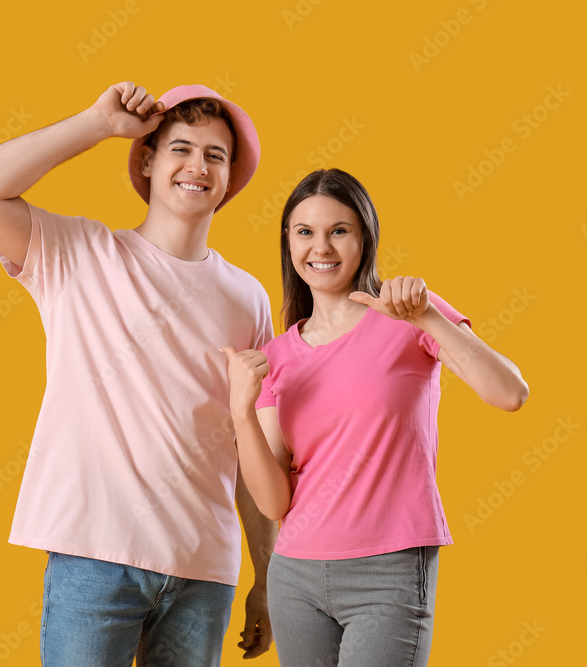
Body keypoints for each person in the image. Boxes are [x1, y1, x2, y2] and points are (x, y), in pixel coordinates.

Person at [0, 82, 276, 666]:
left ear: (229, 180)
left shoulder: (247, 297)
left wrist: (267, 575)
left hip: (205, 574)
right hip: (95, 558)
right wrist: (97, 124)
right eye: (180, 148)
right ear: (148, 161)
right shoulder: (80, 255)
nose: (197, 165)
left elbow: (249, 445)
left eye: (215, 155)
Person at [221, 168, 529, 666]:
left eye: (338, 230)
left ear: (365, 237)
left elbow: (510, 392)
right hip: (295, 575)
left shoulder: (407, 318)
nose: (320, 247)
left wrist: (425, 315)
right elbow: (275, 501)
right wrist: (241, 412)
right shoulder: (277, 356)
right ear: (288, 242)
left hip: (389, 570)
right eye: (305, 232)